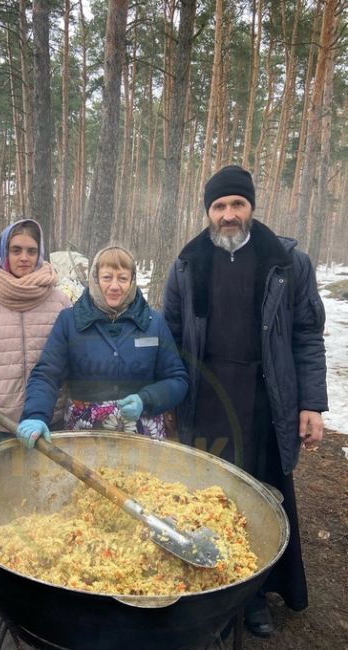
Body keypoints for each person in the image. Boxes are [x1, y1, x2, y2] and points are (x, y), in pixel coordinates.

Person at [163, 164, 328, 637]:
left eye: (237, 204)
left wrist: (311, 404)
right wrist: (169, 397)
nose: (228, 214)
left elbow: (306, 337)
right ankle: (211, 597)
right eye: (219, 206)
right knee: (208, 500)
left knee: (259, 498)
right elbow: (171, 335)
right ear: (208, 212)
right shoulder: (187, 263)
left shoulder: (287, 262)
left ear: (252, 207)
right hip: (208, 400)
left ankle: (252, 596)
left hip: (266, 398)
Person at [17, 245, 188, 446]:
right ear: (95, 279)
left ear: (132, 281)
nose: (115, 286)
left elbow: (177, 380)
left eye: (122, 278)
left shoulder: (153, 323)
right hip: (85, 432)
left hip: (142, 433)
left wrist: (146, 400)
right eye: (107, 277)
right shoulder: (70, 321)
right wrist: (35, 414)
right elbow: (46, 374)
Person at [0, 219, 71, 447]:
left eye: (32, 251)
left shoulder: (60, 302)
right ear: (3, 252)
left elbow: (71, 362)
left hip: (49, 420)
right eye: (16, 250)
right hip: (1, 422)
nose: (24, 257)